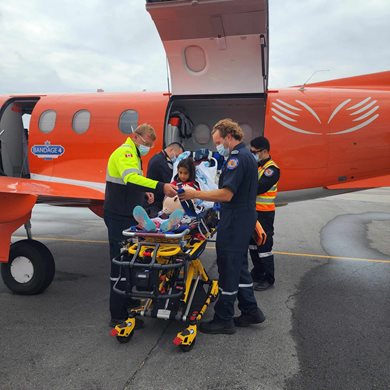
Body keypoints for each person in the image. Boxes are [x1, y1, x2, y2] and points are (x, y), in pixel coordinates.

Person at [179, 118, 265, 334]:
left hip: (235, 221)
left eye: (218, 141)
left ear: (229, 137)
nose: (216, 146)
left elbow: (227, 194)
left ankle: (224, 318)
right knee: (240, 267)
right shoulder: (247, 156)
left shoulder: (237, 159)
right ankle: (250, 310)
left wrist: (194, 193)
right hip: (242, 218)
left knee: (227, 266)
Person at [103, 123, 177, 327]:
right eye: (146, 143)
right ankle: (117, 315)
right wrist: (160, 186)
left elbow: (130, 181)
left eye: (150, 146)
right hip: (118, 215)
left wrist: (143, 192)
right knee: (120, 264)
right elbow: (130, 178)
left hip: (127, 214)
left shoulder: (135, 153)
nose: (147, 148)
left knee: (130, 261)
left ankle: (129, 304)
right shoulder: (125, 152)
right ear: (135, 137)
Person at [249, 136, 280, 291]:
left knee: (264, 246)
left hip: (264, 214)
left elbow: (258, 187)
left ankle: (269, 278)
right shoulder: (258, 166)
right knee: (253, 245)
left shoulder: (272, 170)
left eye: (255, 152)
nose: (253, 154)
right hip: (253, 212)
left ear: (265, 151)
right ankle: (258, 272)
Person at [146, 142, 184, 216]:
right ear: (171, 150)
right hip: (155, 203)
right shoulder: (160, 162)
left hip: (155, 200)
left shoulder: (160, 158)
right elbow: (169, 181)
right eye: (177, 156)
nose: (177, 159)